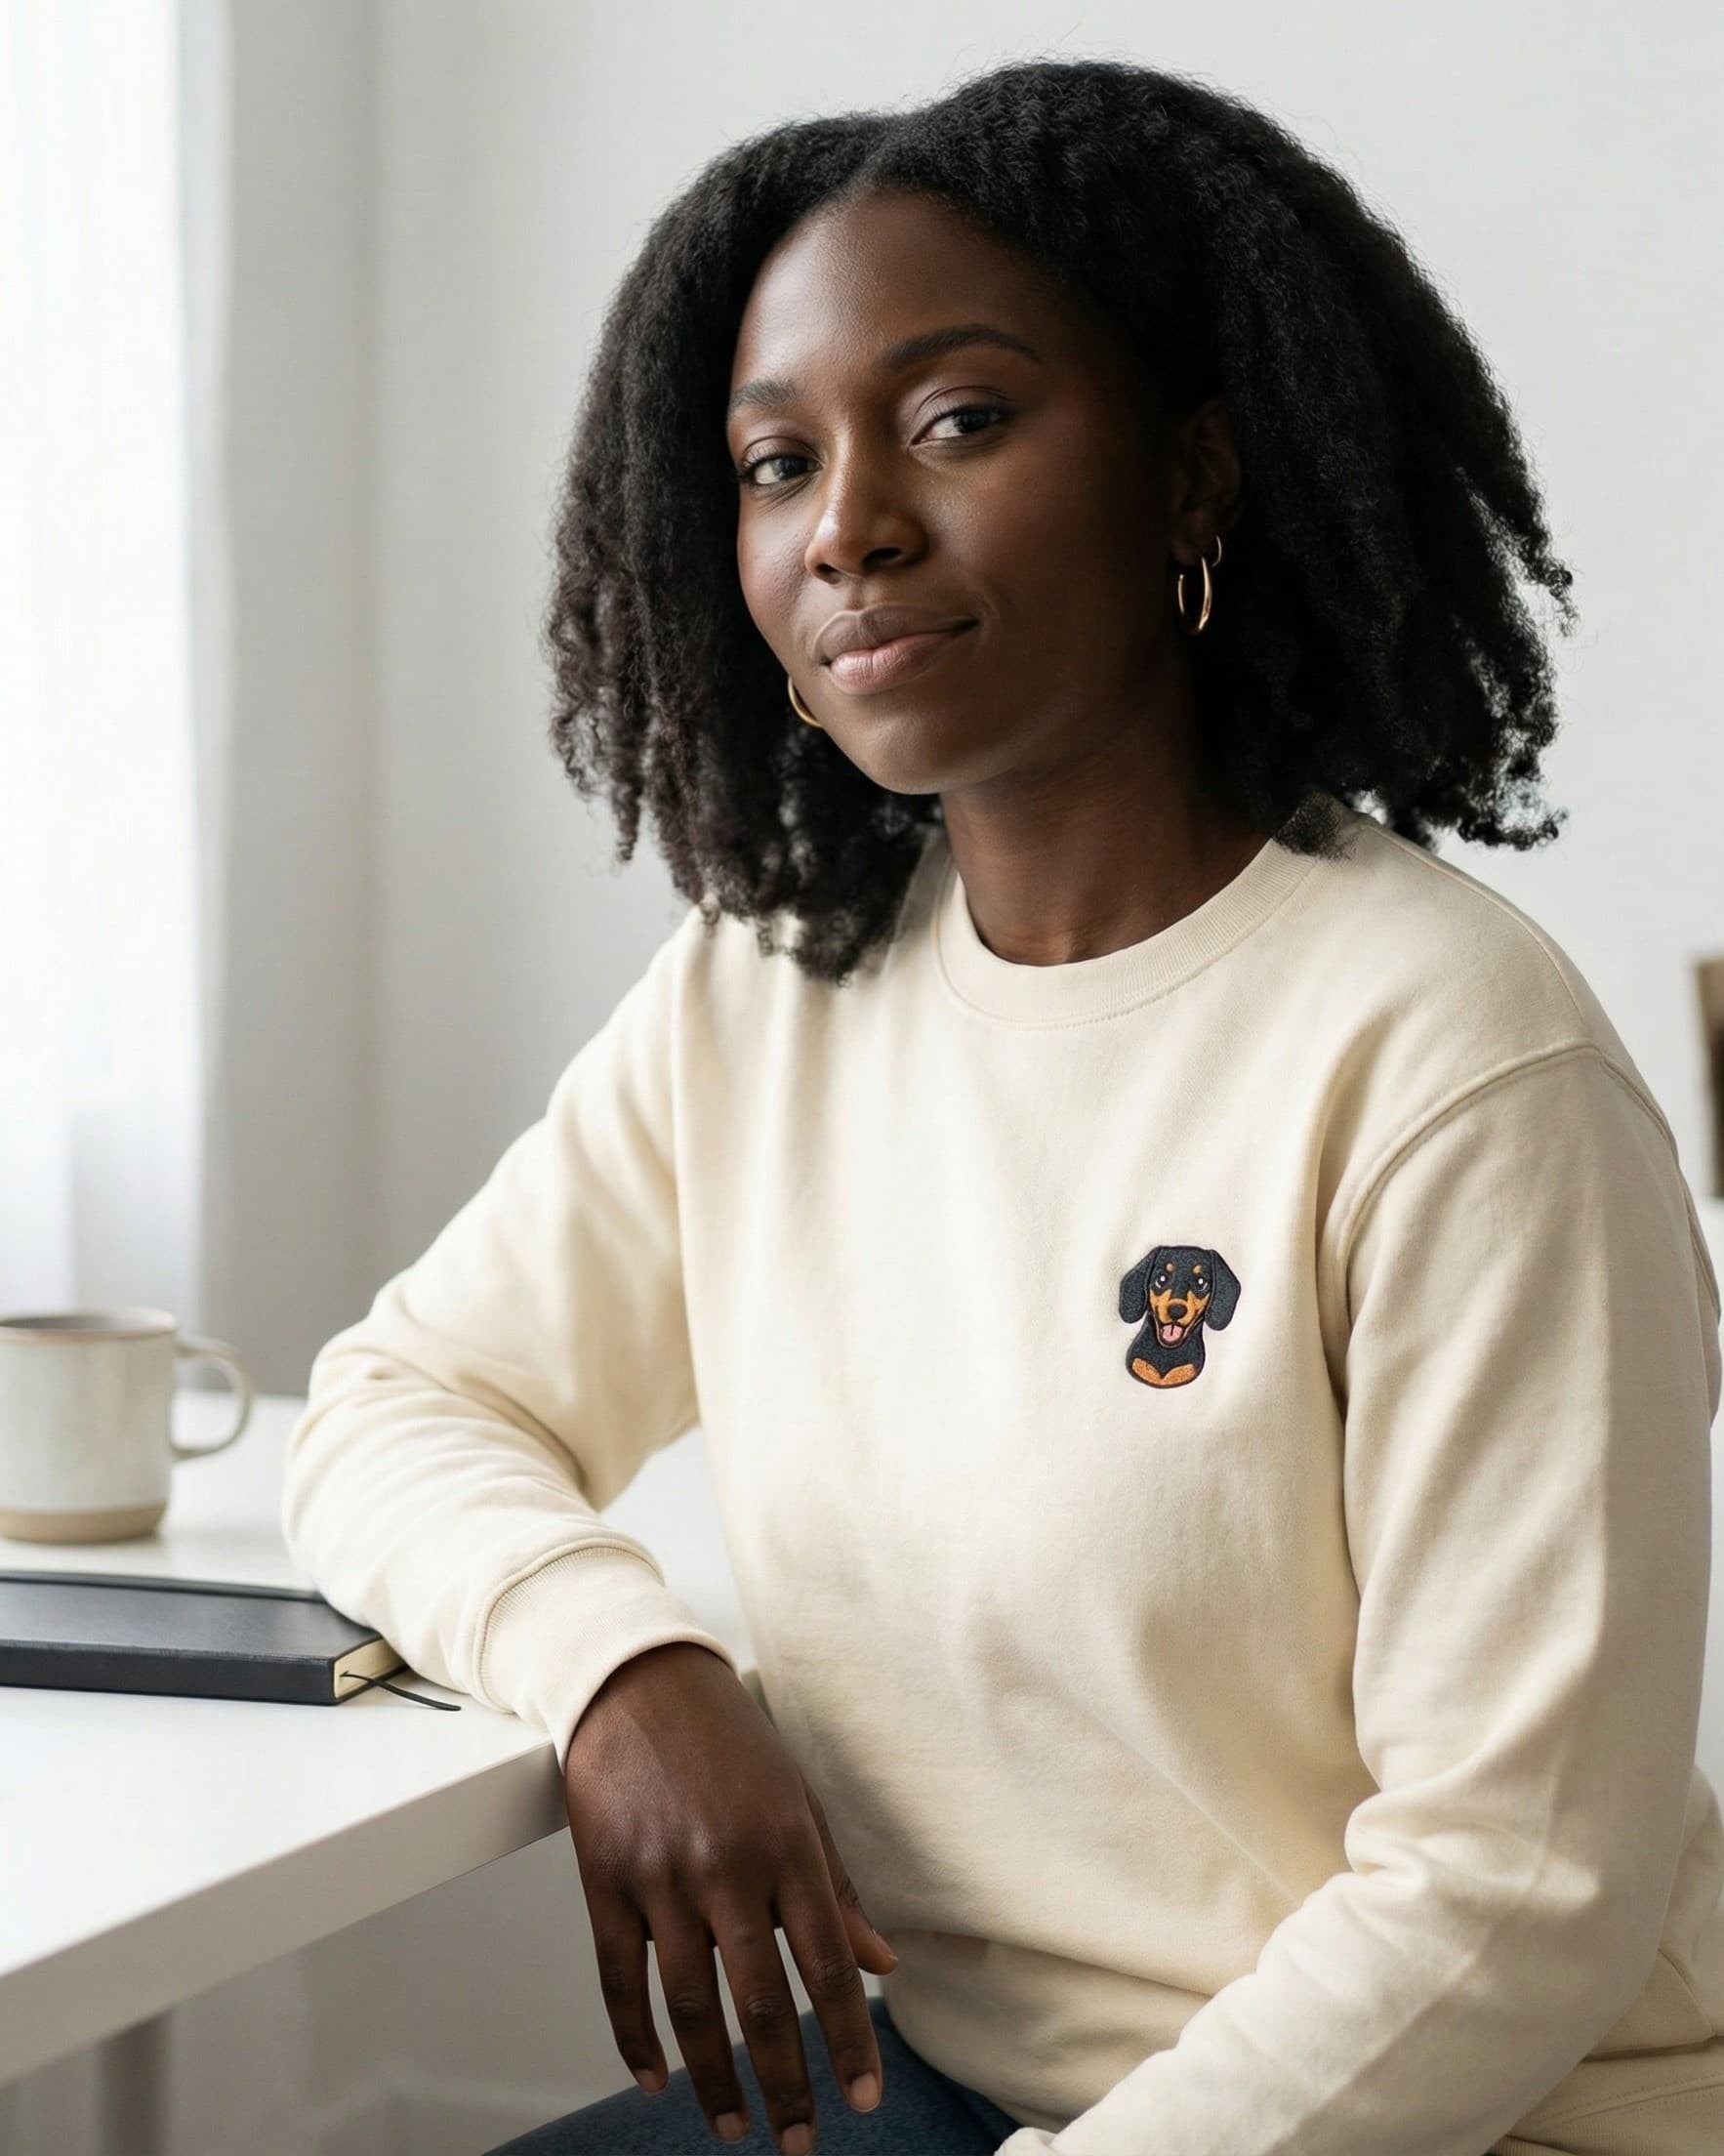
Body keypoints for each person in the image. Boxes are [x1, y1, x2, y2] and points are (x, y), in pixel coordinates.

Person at [280, 56, 1724, 2156]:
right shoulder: (763, 996)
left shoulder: (1454, 1064)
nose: (849, 524)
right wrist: (625, 1668)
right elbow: (400, 1405)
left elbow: (1510, 1900)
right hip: (948, 2086)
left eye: (959, 421)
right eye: (777, 462)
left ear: (1192, 482)